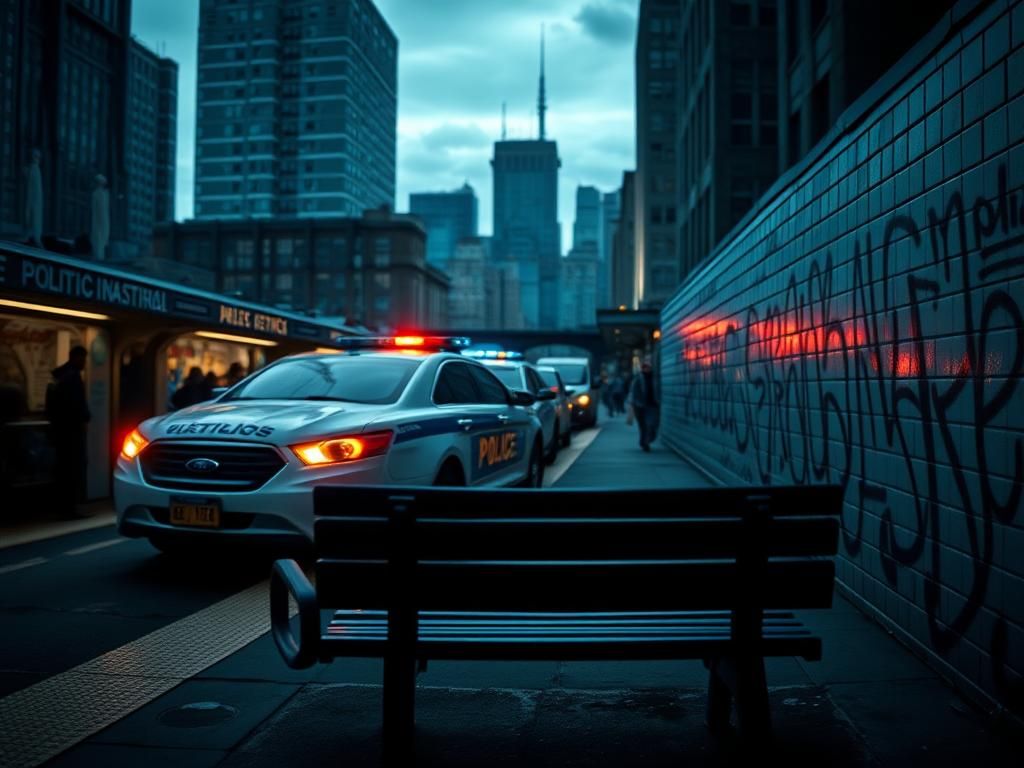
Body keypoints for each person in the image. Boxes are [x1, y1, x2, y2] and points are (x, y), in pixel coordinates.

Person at [46, 346, 91, 517]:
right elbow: (77, 404)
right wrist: (85, 417)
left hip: (60, 430)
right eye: (83, 359)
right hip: (72, 431)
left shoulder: (57, 377)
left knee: (62, 470)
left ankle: (63, 507)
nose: (85, 364)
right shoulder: (72, 377)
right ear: (77, 358)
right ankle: (71, 508)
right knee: (73, 469)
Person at [627, 358, 659, 452]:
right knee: (643, 425)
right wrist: (633, 403)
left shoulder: (655, 378)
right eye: (645, 367)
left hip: (652, 404)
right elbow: (633, 392)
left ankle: (646, 441)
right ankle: (645, 442)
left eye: (648, 367)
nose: (647, 369)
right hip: (640, 405)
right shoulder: (638, 379)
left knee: (651, 425)